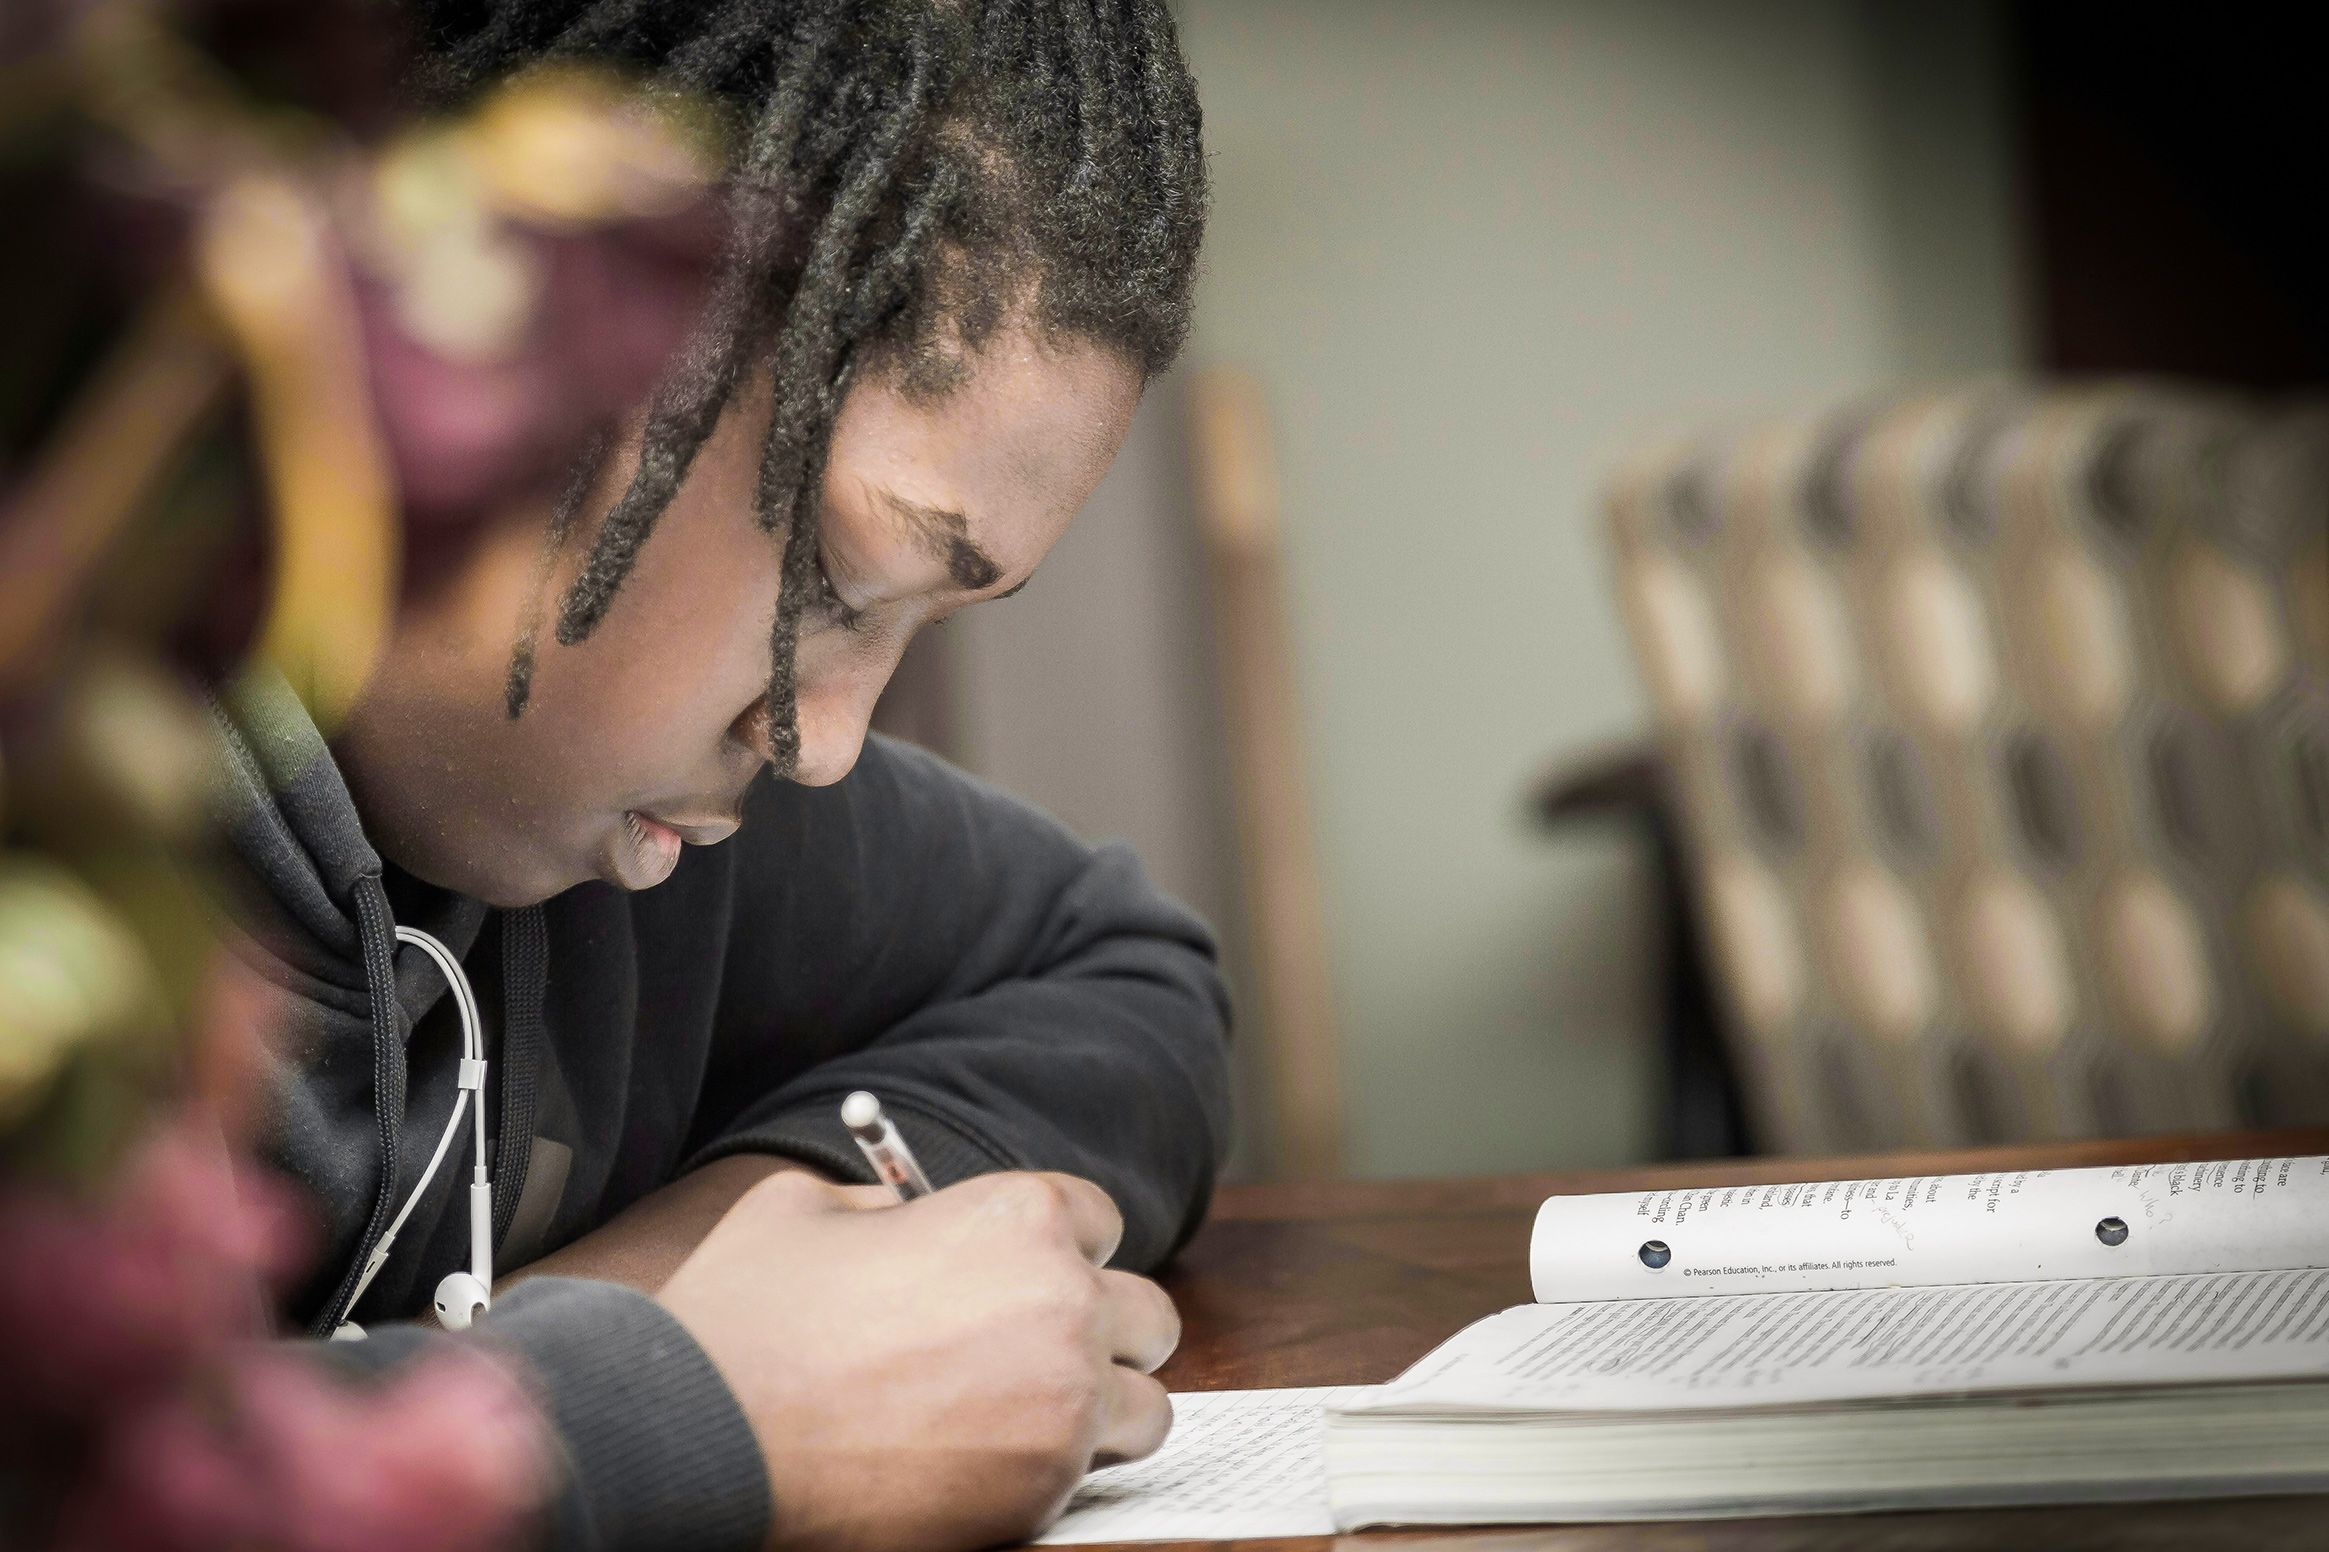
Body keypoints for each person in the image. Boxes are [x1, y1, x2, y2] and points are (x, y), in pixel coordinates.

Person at [203, 2, 1228, 1549]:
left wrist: (655, 1291)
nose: (820, 744)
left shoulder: (629, 824)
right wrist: (685, 1408)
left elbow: (1123, 969)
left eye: (919, 627)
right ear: (497, 330)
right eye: (829, 575)